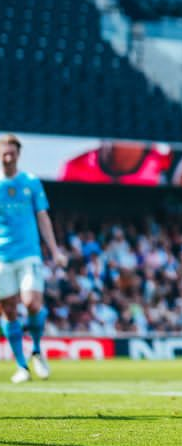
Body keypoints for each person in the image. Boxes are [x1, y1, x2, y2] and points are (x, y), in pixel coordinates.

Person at [0, 134, 67, 383]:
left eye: (12, 152)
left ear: (18, 153)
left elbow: (43, 217)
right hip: (2, 257)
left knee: (32, 303)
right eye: (4, 152)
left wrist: (54, 249)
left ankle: (37, 350)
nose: (8, 156)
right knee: (8, 310)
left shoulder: (31, 181)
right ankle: (21, 366)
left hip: (29, 254)